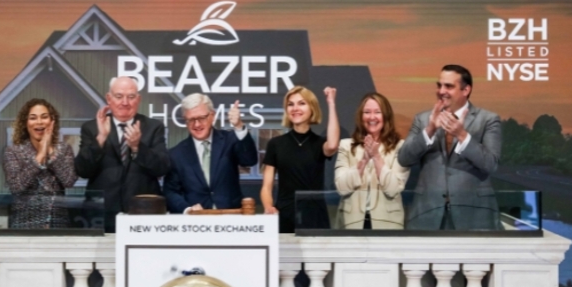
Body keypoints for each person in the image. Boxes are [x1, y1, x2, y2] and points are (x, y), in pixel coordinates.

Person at [397, 64, 502, 230]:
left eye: (449, 86)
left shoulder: (488, 120)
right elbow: (404, 158)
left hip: (473, 215)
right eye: (439, 85)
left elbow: (491, 164)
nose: (441, 91)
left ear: (466, 90)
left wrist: (462, 135)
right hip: (428, 213)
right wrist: (430, 130)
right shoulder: (423, 119)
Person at [75, 76, 170, 232]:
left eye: (131, 97)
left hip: (143, 214)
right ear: (109, 98)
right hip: (101, 215)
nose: (125, 102)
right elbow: (82, 170)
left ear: (138, 99)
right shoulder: (92, 128)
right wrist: (100, 139)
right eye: (119, 96)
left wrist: (137, 147)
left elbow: (162, 168)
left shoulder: (153, 127)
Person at [260, 86, 340, 233]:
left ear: (312, 108)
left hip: (315, 215)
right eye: (291, 104)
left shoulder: (320, 143)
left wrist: (331, 103)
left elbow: (333, 144)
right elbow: (266, 186)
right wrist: (268, 207)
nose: (295, 108)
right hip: (285, 214)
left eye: (302, 103)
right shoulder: (276, 144)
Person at [163, 94, 258, 213]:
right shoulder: (176, 154)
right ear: (185, 120)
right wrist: (187, 209)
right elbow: (170, 192)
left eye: (202, 118)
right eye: (191, 119)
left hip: (231, 217)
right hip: (196, 220)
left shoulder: (229, 140)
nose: (197, 124)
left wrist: (239, 126)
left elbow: (249, 160)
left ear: (212, 116)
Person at [334, 93, 410, 230]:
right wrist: (363, 161)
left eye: (377, 112)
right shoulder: (346, 146)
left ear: (385, 116)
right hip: (351, 224)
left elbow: (393, 189)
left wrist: (376, 157)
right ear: (360, 116)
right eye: (367, 112)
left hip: (388, 224)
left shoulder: (400, 147)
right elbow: (341, 187)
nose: (372, 117)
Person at [3, 98, 77, 229]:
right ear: (25, 123)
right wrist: (40, 155)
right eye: (33, 118)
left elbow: (69, 181)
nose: (39, 122)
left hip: (57, 225)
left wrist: (50, 151)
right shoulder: (13, 151)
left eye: (44, 117)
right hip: (24, 225)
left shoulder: (64, 149)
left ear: (52, 121)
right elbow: (16, 186)